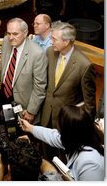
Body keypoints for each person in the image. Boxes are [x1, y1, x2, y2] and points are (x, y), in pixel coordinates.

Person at [40, 21, 96, 160]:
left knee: (64, 160)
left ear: (66, 42)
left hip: (66, 122)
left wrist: (84, 128)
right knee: (46, 155)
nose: (50, 41)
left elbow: (89, 103)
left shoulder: (84, 65)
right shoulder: (50, 53)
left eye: (54, 39)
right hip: (47, 116)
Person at [20, 105, 104, 181]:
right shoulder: (78, 138)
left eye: (60, 131)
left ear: (68, 133)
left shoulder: (91, 165)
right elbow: (52, 135)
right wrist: (30, 128)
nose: (59, 133)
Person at [0, 18, 48, 124]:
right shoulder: (6, 41)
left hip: (23, 105)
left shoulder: (37, 53)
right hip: (3, 96)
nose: (11, 38)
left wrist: (31, 111)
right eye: (9, 33)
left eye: (15, 34)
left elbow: (40, 86)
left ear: (25, 33)